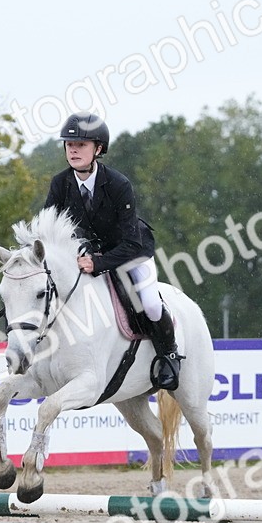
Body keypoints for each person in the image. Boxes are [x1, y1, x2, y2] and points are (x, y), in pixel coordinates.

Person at [42, 112, 182, 391]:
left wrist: (99, 263)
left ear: (98, 149)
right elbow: (47, 231)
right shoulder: (60, 184)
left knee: (151, 303)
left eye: (80, 145)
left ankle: (169, 356)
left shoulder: (119, 185)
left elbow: (130, 242)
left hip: (129, 253)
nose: (73, 150)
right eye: (69, 145)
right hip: (83, 257)